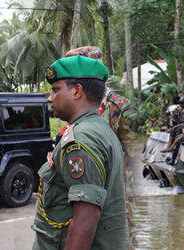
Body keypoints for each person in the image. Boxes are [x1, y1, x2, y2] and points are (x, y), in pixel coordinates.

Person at [32, 55, 128, 249]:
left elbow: (86, 217)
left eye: (56, 89)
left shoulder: (81, 140)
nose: (50, 97)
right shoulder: (98, 127)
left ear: (77, 92)